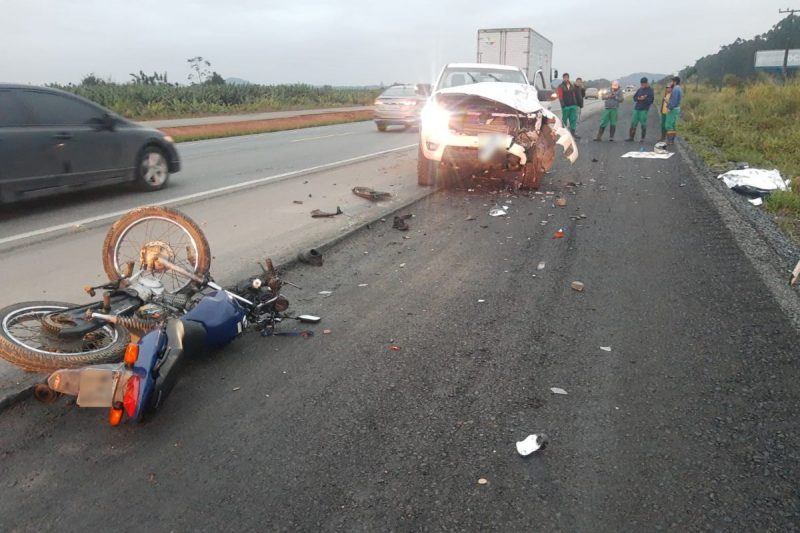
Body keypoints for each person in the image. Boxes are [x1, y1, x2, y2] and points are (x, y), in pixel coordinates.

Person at [626, 77, 655, 141]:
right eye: (641, 84)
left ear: (647, 83)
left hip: (644, 109)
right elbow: (634, 98)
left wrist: (644, 99)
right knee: (633, 122)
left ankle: (642, 138)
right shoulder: (640, 90)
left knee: (643, 123)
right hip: (637, 109)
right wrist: (638, 98)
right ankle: (631, 137)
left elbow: (651, 101)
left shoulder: (650, 91)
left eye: (643, 84)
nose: (642, 85)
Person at [556, 73, 582, 138]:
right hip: (566, 106)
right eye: (564, 77)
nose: (566, 78)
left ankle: (572, 134)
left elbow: (576, 94)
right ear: (563, 78)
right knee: (564, 120)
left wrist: (577, 104)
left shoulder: (572, 85)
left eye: (567, 77)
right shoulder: (560, 86)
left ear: (568, 78)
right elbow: (560, 97)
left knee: (573, 120)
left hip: (573, 105)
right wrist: (563, 106)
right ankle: (563, 135)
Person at [664, 76, 683, 145]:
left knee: (668, 125)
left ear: (675, 82)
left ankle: (670, 141)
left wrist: (669, 107)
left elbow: (674, 101)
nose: (671, 83)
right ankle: (672, 140)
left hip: (673, 109)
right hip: (677, 108)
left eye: (672, 81)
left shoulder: (675, 89)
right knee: (674, 124)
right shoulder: (680, 88)